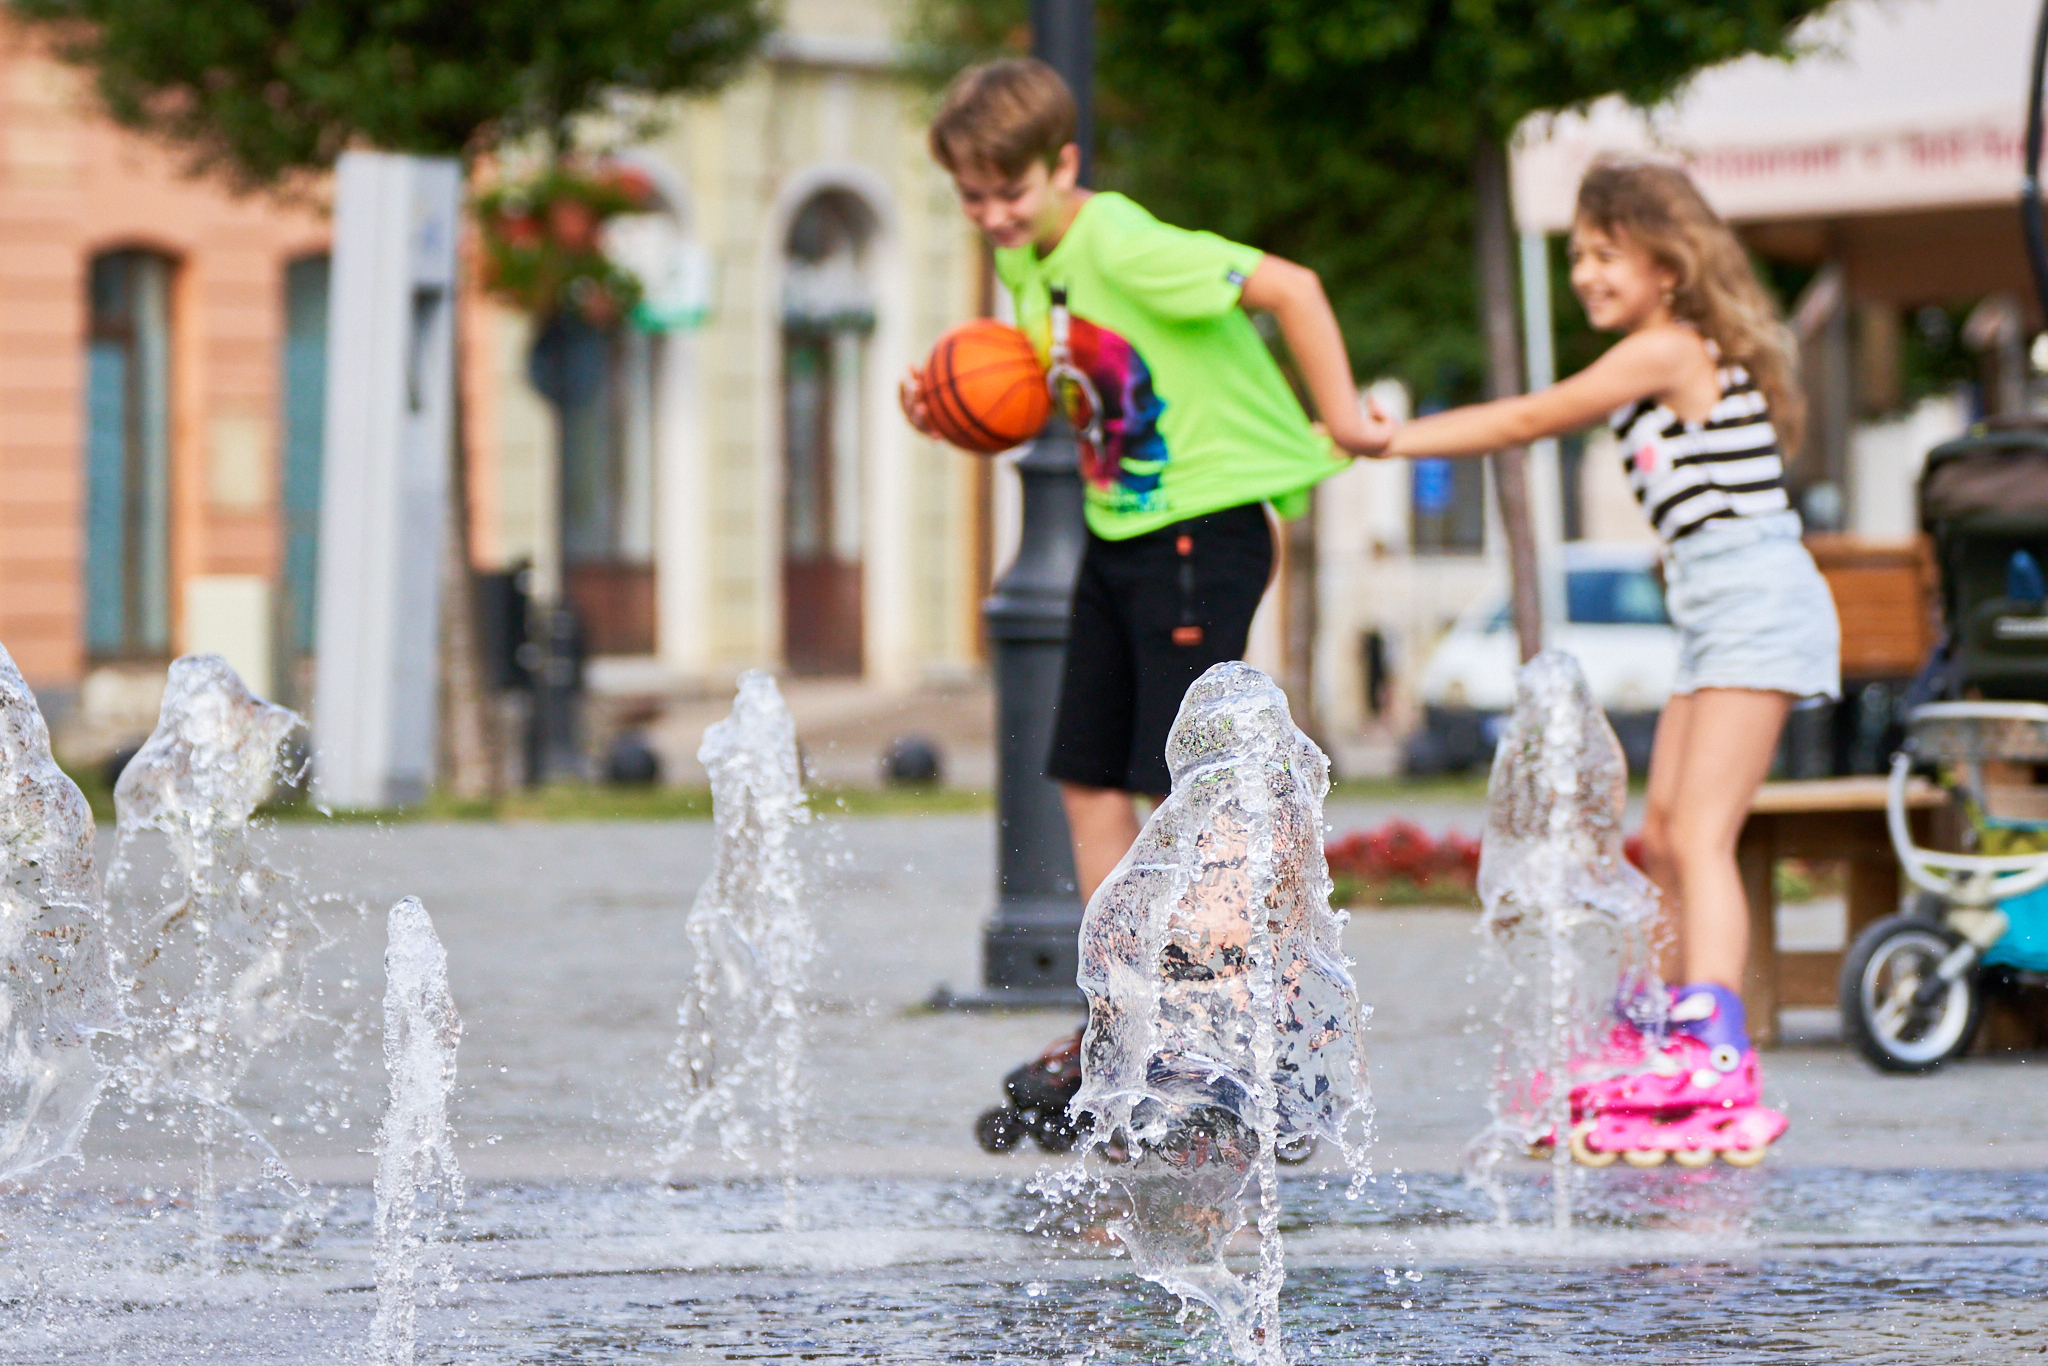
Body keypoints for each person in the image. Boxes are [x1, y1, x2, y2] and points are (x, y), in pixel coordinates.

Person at [1377, 157, 1837, 1145]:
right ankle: (1664, 1033)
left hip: (1755, 603)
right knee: (1664, 832)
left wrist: (1391, 438)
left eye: (1603, 254)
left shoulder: (1665, 348)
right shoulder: (1658, 355)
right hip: (1719, 611)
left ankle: (1714, 1055)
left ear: (1665, 266)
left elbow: (1529, 418)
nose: (1584, 273)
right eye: (1576, 255)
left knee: (1700, 835)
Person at [900, 58, 1393, 905]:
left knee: (1187, 792)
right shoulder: (1027, 258)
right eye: (972, 198)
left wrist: (1344, 417)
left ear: (1063, 164)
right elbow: (1086, 390)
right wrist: (944, 408)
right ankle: (1120, 1017)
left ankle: (1219, 1005)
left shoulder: (1120, 242)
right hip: (1120, 527)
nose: (993, 215)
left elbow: (1292, 287)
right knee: (1087, 780)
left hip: (1202, 525)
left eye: (1009, 192)